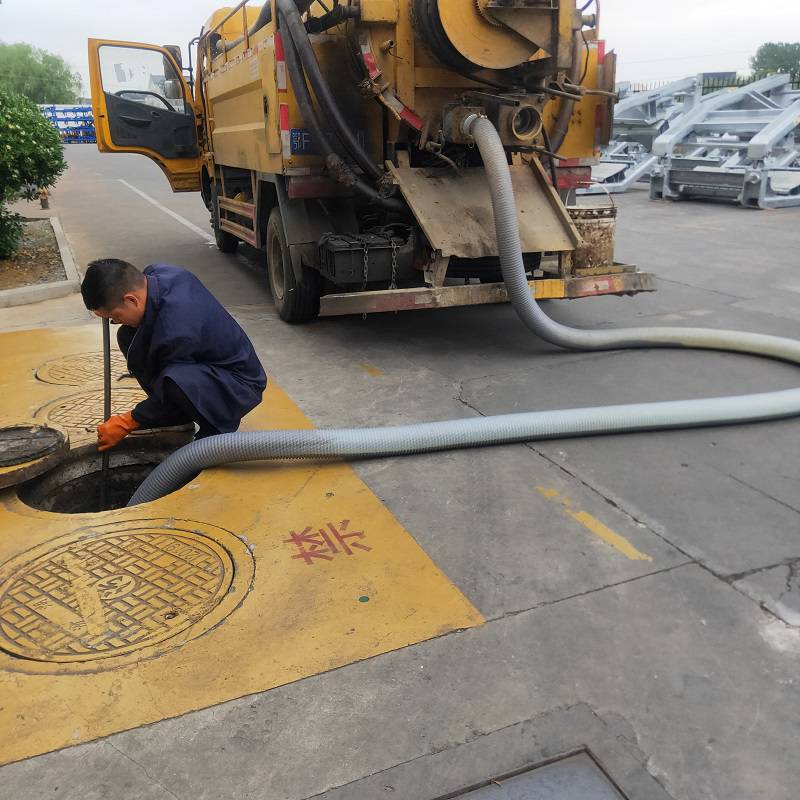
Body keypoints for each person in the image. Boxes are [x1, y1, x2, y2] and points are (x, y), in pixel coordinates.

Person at [80, 259, 267, 452]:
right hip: (207, 364)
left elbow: (170, 387)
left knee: (175, 381)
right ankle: (177, 416)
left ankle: (212, 431)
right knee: (128, 336)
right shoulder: (157, 273)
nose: (116, 321)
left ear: (131, 300)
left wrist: (129, 421)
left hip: (239, 386)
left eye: (116, 316)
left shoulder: (176, 332)